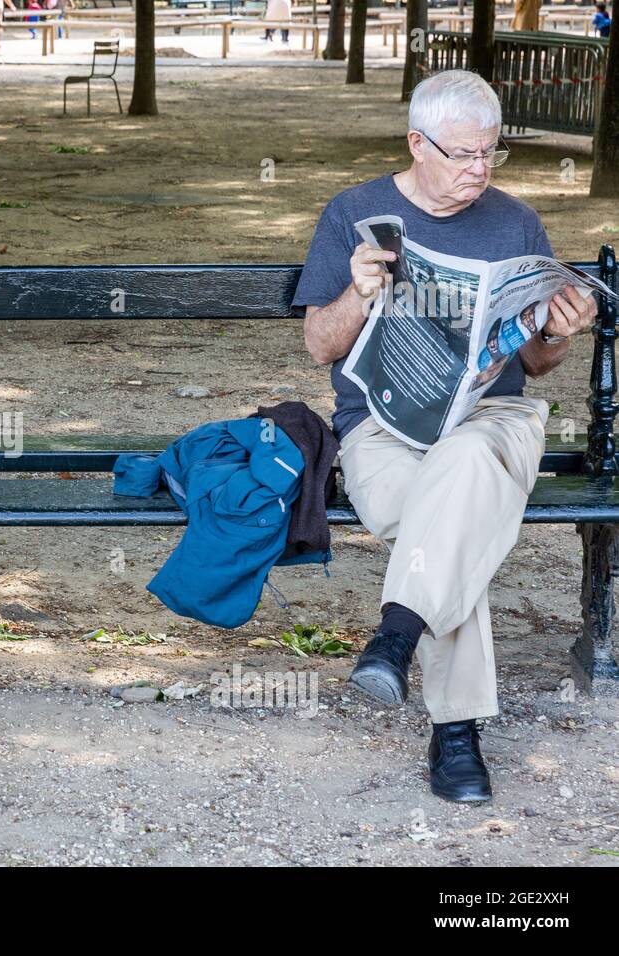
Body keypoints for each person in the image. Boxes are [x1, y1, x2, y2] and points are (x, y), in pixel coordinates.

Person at [294, 70, 597, 804]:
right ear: (416, 144)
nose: (479, 171)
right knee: (454, 519)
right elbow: (318, 347)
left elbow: (536, 362)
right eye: (462, 154)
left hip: (491, 423)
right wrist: (358, 294)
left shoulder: (514, 222)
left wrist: (557, 335)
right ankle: (453, 729)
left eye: (491, 153)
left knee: (461, 467)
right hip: (384, 428)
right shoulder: (355, 213)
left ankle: (397, 639)